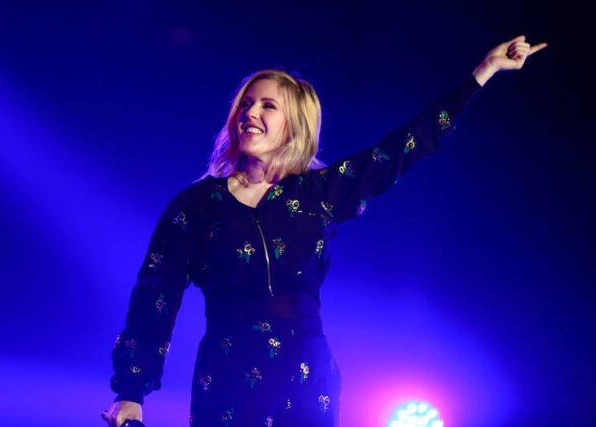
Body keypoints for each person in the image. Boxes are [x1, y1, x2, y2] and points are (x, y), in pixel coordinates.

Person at [102, 35, 546, 427]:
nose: (250, 113)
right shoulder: (196, 207)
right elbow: (154, 298)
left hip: (306, 375)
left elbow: (405, 146)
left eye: (267, 106)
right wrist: (130, 391)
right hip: (228, 374)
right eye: (246, 104)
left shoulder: (320, 193)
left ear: (293, 124)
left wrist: (484, 71)